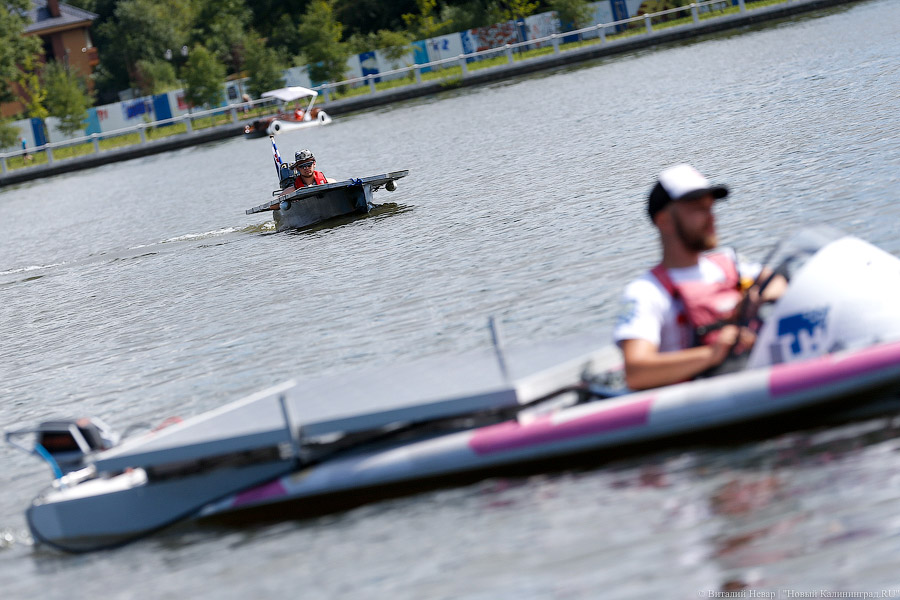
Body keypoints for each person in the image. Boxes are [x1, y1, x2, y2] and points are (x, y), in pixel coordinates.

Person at [613, 164, 779, 391]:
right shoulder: (646, 292)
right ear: (665, 222)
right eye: (698, 209)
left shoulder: (732, 263)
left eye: (710, 208)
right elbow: (636, 372)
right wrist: (712, 353)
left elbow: (780, 282)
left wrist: (755, 298)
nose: (711, 218)